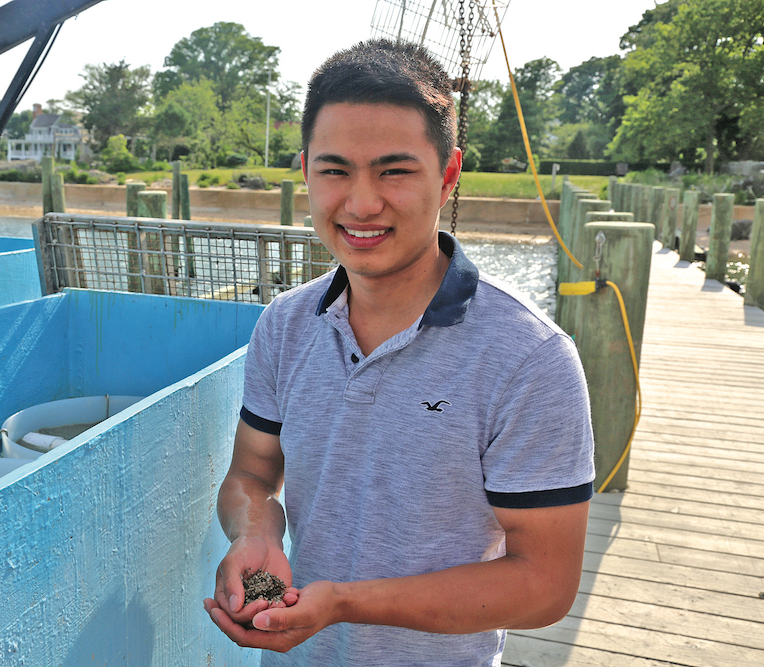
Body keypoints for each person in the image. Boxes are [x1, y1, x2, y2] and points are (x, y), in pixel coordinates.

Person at [203, 38, 595, 666]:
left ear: (448, 173)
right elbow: (251, 473)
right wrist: (255, 532)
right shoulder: (284, 325)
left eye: (394, 170)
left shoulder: (531, 358)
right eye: (335, 171)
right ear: (305, 170)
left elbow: (544, 583)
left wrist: (345, 602)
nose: (360, 203)